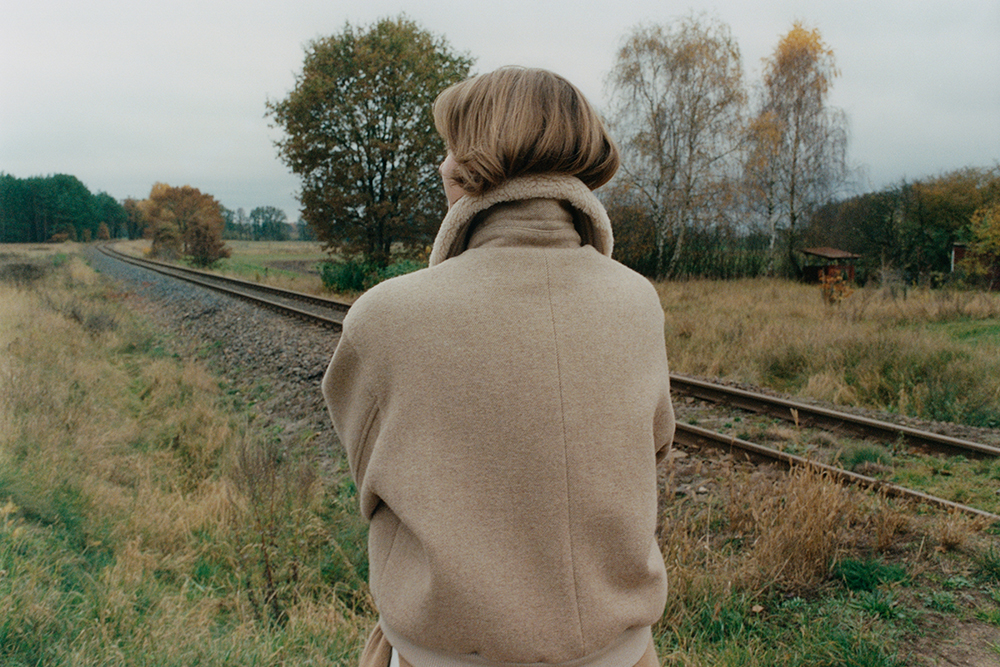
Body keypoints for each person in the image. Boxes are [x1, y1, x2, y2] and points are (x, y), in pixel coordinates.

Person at [322, 66, 675, 667]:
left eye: (448, 148)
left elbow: (374, 478)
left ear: (470, 166)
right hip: (621, 656)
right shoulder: (638, 300)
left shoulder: (384, 316)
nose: (441, 166)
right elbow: (654, 450)